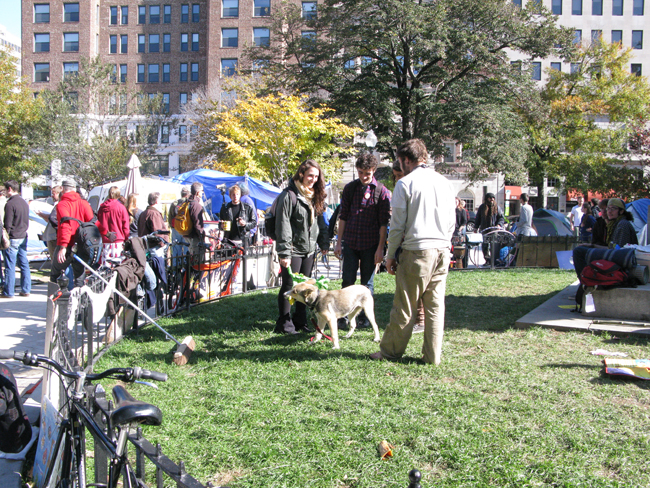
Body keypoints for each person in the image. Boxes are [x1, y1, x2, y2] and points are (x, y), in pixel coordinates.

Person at [370, 139, 455, 364]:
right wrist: (445, 243)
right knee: (435, 307)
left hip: (417, 251)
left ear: (406, 160)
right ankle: (432, 356)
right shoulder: (445, 182)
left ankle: (390, 352)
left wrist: (390, 256)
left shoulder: (405, 184)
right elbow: (451, 221)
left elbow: (397, 225)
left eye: (400, 161)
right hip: (442, 250)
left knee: (405, 305)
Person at [334, 152, 391, 329]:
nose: (364, 176)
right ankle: (343, 316)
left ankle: (365, 318)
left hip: (371, 244)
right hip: (350, 242)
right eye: (360, 172)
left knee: (367, 284)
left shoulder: (382, 192)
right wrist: (339, 241)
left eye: (367, 173)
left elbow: (384, 224)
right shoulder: (350, 189)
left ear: (374, 170)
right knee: (347, 281)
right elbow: (343, 217)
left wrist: (380, 248)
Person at [274, 160, 330, 335]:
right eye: (309, 176)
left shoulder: (315, 195)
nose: (312, 179)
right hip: (293, 249)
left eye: (316, 176)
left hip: (309, 249)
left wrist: (324, 243)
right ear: (301, 175)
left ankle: (300, 321)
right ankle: (284, 323)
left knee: (304, 286)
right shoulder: (289, 195)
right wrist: (284, 253)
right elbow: (283, 225)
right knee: (290, 286)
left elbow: (321, 222)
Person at [50, 180, 108, 288]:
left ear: (62, 189)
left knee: (55, 275)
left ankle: (55, 301)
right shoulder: (84, 203)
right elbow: (94, 222)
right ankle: (79, 303)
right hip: (81, 243)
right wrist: (106, 233)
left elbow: (66, 225)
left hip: (67, 244)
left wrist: (63, 246)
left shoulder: (62, 205)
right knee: (79, 278)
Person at [392, 158, 425, 334]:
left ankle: (419, 319)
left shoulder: (409, 186)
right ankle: (414, 318)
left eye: (400, 175)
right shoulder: (402, 187)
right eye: (395, 176)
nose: (397, 179)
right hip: (405, 244)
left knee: (414, 286)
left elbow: (399, 224)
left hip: (413, 244)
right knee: (408, 286)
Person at [572, 198, 638, 279]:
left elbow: (619, 251)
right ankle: (586, 278)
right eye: (608, 208)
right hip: (616, 255)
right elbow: (612, 247)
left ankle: (584, 280)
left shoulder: (622, 224)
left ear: (621, 211)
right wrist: (592, 246)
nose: (609, 211)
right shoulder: (614, 224)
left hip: (623, 259)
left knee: (578, 252)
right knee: (582, 248)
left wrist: (594, 248)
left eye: (613, 209)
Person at [1, 181, 31, 298]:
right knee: (24, 264)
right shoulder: (24, 202)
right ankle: (26, 289)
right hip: (23, 235)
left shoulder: (10, 204)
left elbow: (7, 223)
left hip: (13, 237)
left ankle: (9, 291)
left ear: (9, 189)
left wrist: (5, 236)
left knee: (10, 266)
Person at [97, 186, 130, 265]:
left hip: (105, 240)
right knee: (118, 265)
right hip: (118, 240)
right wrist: (126, 239)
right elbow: (125, 225)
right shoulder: (121, 208)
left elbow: (98, 223)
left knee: (105, 265)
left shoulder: (101, 208)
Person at [474, 192, 505, 262]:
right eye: (490, 198)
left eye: (493, 198)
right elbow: (478, 218)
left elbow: (501, 218)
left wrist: (499, 225)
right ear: (487, 199)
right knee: (485, 246)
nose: (492, 199)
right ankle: (487, 260)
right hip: (484, 229)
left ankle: (493, 260)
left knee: (493, 245)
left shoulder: (497, 207)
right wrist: (476, 227)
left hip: (494, 230)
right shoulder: (482, 207)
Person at [168, 186, 190, 257]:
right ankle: (186, 265)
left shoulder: (175, 203)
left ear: (181, 194)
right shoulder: (189, 203)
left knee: (176, 249)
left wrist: (172, 227)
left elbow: (170, 217)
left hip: (176, 228)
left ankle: (175, 266)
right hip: (186, 228)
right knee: (187, 248)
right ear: (188, 194)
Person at [186, 182, 206, 256]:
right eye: (202, 191)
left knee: (190, 256)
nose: (202, 193)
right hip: (194, 236)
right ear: (198, 192)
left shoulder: (187, 202)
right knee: (197, 260)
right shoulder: (196, 205)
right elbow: (198, 223)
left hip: (186, 234)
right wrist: (202, 236)